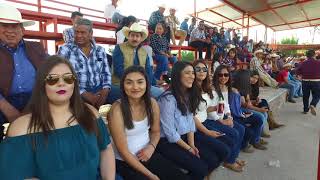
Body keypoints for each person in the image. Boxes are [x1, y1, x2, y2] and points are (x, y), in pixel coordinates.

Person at [0, 55, 116, 179]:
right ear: (41, 84)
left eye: (68, 78)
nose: (61, 83)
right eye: (52, 79)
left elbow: (106, 149)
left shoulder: (90, 113)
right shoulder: (21, 128)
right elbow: (15, 175)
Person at [108, 65, 189, 180]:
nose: (135, 87)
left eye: (140, 82)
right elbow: (124, 152)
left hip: (147, 153)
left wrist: (151, 147)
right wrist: (151, 175)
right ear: (123, 86)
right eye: (129, 82)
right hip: (125, 161)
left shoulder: (152, 103)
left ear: (146, 84)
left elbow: (156, 132)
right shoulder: (117, 110)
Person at [157, 61, 224, 180]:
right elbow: (170, 133)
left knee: (214, 159)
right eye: (187, 73)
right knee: (201, 168)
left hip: (184, 138)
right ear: (178, 75)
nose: (192, 76)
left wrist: (192, 144)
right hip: (167, 142)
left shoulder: (188, 95)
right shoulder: (168, 99)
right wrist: (189, 148)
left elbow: (190, 122)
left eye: (193, 73)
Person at [0, 4, 47, 141]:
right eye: (4, 25)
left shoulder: (37, 47)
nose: (10, 31)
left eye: (14, 26)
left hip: (35, 99)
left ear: (22, 30)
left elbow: (50, 71)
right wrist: (6, 108)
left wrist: (32, 104)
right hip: (4, 101)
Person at [193, 61, 246, 172]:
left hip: (215, 117)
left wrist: (229, 116)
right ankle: (229, 160)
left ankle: (232, 158)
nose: (223, 77)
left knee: (241, 129)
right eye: (198, 69)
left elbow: (221, 105)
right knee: (234, 133)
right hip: (208, 120)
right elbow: (201, 112)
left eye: (226, 75)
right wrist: (220, 120)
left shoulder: (209, 87)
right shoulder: (210, 88)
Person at [58, 18, 121, 108]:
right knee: (75, 104)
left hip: (100, 88)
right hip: (75, 90)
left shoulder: (100, 50)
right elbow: (61, 76)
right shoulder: (65, 50)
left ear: (91, 34)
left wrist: (105, 91)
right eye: (76, 32)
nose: (79, 35)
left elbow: (106, 73)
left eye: (83, 32)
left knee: (125, 94)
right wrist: (84, 94)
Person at [112, 23, 163, 98]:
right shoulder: (119, 48)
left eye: (137, 36)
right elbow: (118, 70)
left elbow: (148, 71)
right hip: (121, 84)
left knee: (161, 94)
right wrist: (134, 83)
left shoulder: (144, 52)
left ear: (141, 38)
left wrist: (150, 84)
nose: (135, 39)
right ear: (128, 36)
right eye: (132, 35)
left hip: (140, 85)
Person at [232, 69, 269, 148]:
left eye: (256, 78)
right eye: (252, 77)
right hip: (240, 109)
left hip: (242, 107)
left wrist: (254, 102)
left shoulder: (246, 86)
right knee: (261, 116)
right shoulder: (237, 88)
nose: (254, 80)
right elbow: (244, 105)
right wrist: (258, 109)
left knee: (264, 113)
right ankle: (255, 139)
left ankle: (257, 136)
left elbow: (248, 101)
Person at [296, 49, 320, 116]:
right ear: (314, 55)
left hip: (305, 81)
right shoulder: (318, 62)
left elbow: (298, 71)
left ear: (307, 55)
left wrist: (299, 76)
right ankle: (313, 104)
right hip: (316, 81)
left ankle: (305, 110)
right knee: (317, 95)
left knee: (305, 96)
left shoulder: (303, 63)